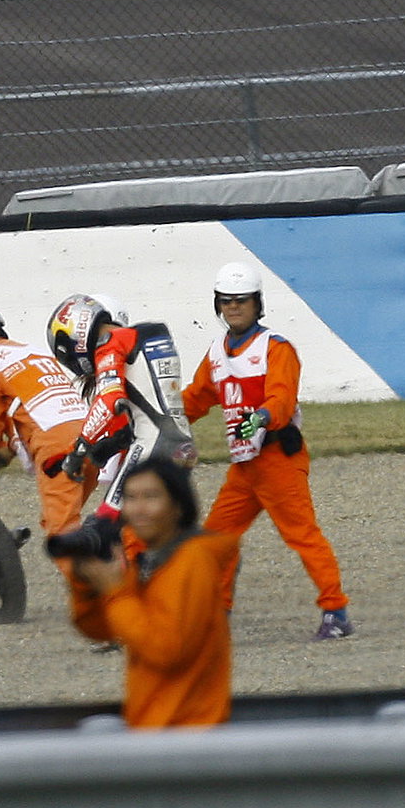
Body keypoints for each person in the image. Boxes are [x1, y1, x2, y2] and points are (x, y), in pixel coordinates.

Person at [181, 262, 354, 641]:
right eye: (226, 301)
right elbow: (195, 399)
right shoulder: (215, 353)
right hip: (245, 466)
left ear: (257, 304)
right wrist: (161, 419)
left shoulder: (277, 348)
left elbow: (282, 397)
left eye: (241, 301)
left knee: (302, 535)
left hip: (278, 459)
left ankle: (336, 612)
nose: (233, 307)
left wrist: (259, 418)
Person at [68, 459, 239, 728]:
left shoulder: (193, 561)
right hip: (157, 724)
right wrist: (87, 585)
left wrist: (117, 593)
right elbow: (100, 630)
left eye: (151, 497)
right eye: (131, 498)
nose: (139, 509)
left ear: (178, 506)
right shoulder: (152, 559)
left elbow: (165, 650)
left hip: (186, 732)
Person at [0, 299, 93, 547]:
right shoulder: (34, 352)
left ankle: (107, 584)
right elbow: (33, 407)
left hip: (57, 449)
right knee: (65, 520)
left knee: (62, 534)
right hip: (91, 437)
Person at [45, 293, 197, 525]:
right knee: (158, 533)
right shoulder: (148, 336)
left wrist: (79, 449)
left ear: (77, 331)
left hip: (152, 448)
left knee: (103, 526)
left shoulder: (111, 342)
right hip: (182, 445)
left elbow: (109, 400)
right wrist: (108, 446)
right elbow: (145, 406)